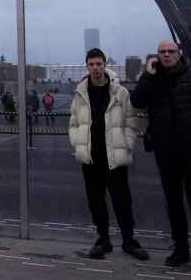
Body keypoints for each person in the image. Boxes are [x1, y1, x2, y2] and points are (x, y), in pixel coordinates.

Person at [132, 41, 191, 277]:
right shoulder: (154, 78)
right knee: (174, 203)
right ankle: (181, 250)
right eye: (162, 52)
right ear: (157, 56)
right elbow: (137, 101)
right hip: (165, 150)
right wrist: (147, 75)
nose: (166, 55)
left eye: (171, 52)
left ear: (179, 54)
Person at [68, 48, 148, 261]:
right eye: (92, 64)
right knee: (96, 201)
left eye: (99, 64)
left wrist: (127, 144)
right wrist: (78, 144)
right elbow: (74, 123)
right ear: (87, 66)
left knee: (122, 201)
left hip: (114, 156)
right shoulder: (80, 93)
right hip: (91, 157)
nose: (95, 68)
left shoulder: (120, 92)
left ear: (104, 65)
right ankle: (103, 239)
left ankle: (129, 241)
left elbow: (131, 122)